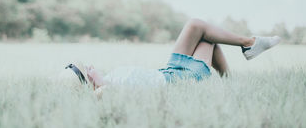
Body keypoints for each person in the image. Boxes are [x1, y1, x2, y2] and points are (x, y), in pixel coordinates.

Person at [62, 18, 281, 96]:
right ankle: (249, 45)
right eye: (86, 70)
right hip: (181, 80)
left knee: (196, 26)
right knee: (209, 40)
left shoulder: (107, 81)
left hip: (168, 72)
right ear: (87, 82)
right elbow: (104, 96)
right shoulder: (105, 90)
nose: (90, 67)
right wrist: (100, 83)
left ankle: (247, 48)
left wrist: (99, 78)